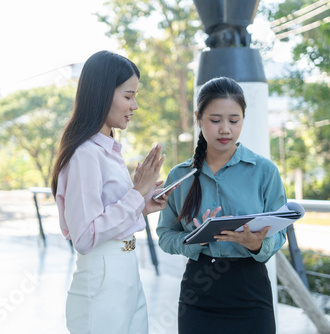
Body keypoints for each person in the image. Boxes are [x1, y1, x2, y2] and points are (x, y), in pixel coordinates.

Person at [51, 50, 173, 334]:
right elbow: (85, 236)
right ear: (103, 93)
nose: (135, 105)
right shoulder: (86, 155)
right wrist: (136, 193)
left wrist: (142, 204)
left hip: (126, 270)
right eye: (128, 96)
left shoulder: (109, 151)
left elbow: (106, 215)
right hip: (103, 277)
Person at [156, 77, 287, 334]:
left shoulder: (265, 171)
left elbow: (280, 233)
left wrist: (256, 244)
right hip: (199, 294)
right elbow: (164, 236)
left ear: (243, 119)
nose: (225, 129)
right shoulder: (179, 176)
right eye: (215, 120)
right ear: (198, 118)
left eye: (234, 120)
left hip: (251, 292)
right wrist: (194, 240)